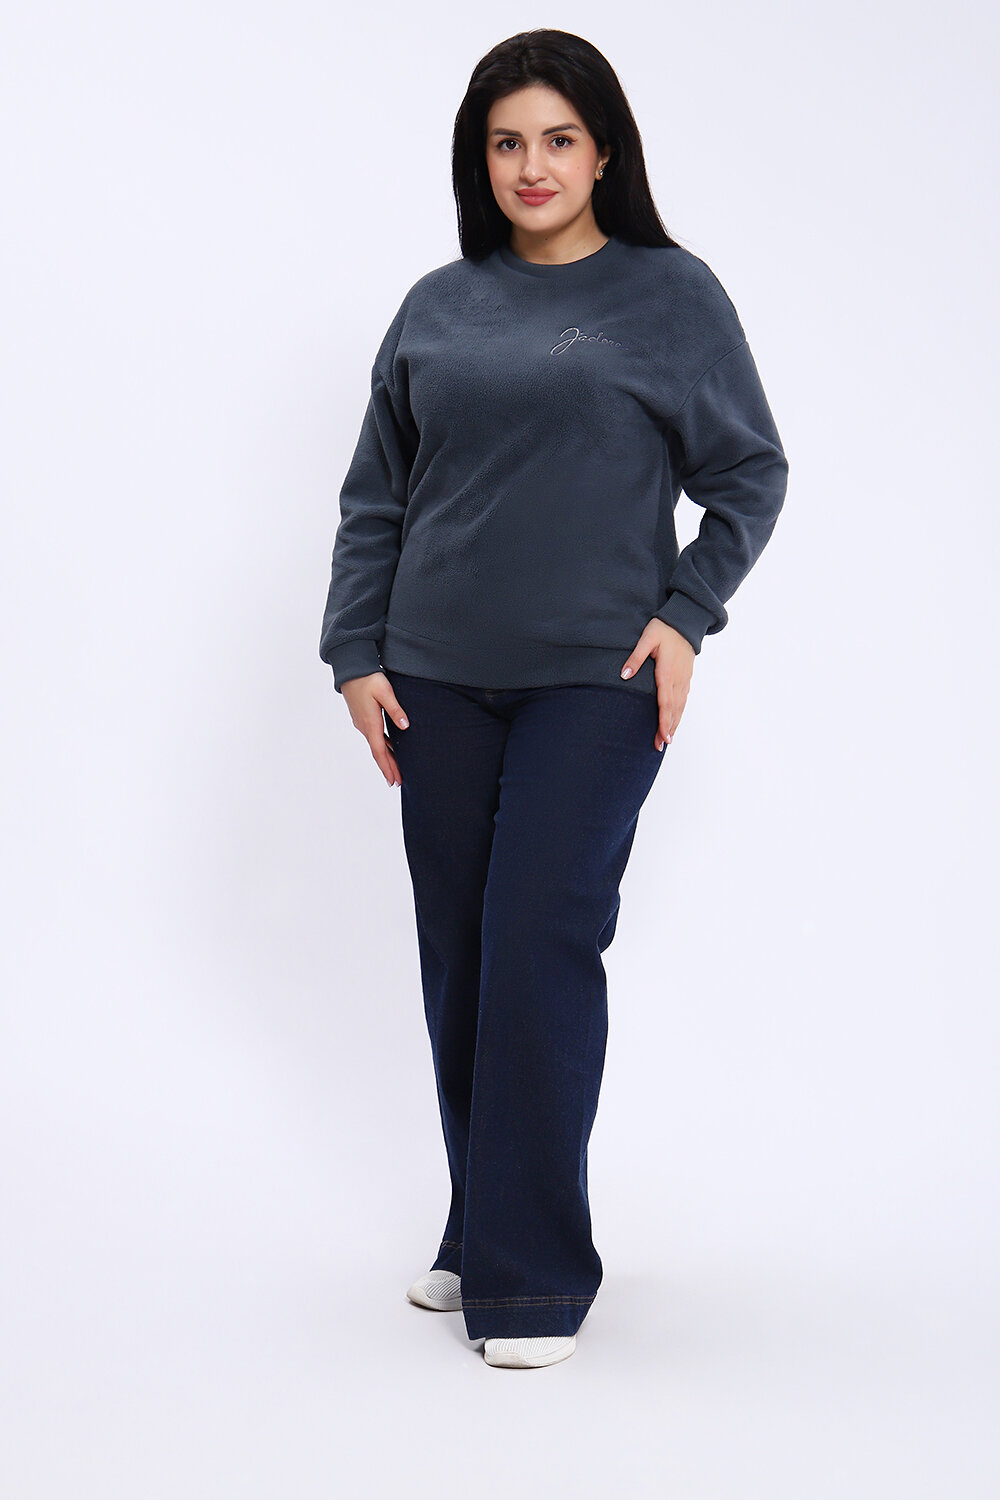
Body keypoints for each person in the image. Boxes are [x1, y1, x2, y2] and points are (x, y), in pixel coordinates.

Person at [318, 28, 788, 1370]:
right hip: (433, 675)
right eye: (507, 142)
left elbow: (749, 474)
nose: (533, 166)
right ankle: (485, 1224)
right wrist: (356, 650)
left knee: (538, 938)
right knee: (465, 952)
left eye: (560, 140)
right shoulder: (438, 305)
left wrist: (685, 614)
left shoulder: (669, 295)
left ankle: (531, 1278)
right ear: (480, 160)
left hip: (596, 676)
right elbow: (377, 495)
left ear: (604, 152)